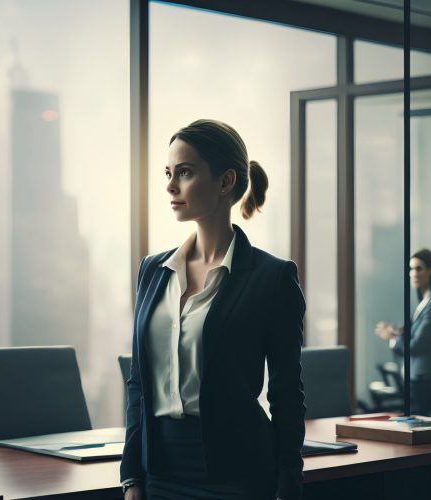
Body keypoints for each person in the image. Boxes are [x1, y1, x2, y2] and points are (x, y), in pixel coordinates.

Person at [120, 119, 306, 500]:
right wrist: (132, 476)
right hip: (160, 472)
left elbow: (286, 393)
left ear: (225, 182)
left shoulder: (272, 278)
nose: (171, 186)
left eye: (185, 173)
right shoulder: (153, 271)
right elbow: (139, 383)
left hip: (237, 475)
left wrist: (289, 479)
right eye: (169, 173)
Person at [375, 249, 431, 416]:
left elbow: (416, 346)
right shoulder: (424, 303)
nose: (413, 273)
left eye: (419, 268)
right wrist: (395, 332)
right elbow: (414, 335)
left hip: (427, 382)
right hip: (419, 380)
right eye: (411, 269)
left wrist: (392, 339)